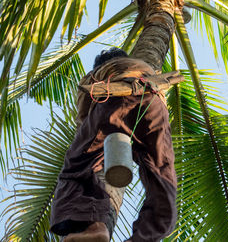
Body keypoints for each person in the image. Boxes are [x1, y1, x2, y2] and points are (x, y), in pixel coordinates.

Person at [50, 48, 177, 242]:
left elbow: (84, 117)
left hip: (114, 100)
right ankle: (145, 237)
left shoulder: (97, 74)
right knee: (161, 174)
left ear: (99, 66)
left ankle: (95, 225)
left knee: (76, 168)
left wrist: (88, 144)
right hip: (154, 106)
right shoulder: (146, 69)